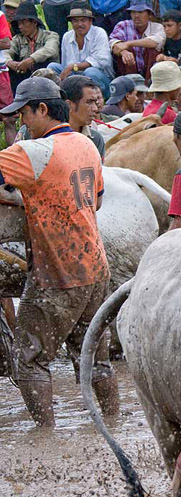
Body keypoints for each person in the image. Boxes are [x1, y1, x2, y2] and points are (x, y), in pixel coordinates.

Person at [0, 77, 118, 429]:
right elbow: (95, 200)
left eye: (24, 114)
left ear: (41, 109)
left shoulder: (33, 152)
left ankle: (45, 437)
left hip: (57, 272)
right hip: (96, 269)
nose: (21, 122)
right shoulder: (86, 144)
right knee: (95, 359)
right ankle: (112, 423)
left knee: (30, 358)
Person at [48, 2, 113, 98]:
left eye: (83, 20)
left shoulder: (99, 33)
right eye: (75, 21)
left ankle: (98, 99)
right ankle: (61, 98)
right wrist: (70, 69)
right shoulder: (67, 36)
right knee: (52, 67)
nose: (79, 24)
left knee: (90, 72)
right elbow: (65, 65)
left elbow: (102, 61)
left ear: (90, 21)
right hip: (75, 77)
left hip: (100, 78)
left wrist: (73, 67)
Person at [6, 3, 60, 91]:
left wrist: (31, 60)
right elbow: (6, 51)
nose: (20, 26)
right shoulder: (17, 39)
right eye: (19, 23)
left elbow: (50, 49)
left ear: (34, 22)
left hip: (47, 77)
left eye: (23, 23)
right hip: (25, 78)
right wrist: (10, 62)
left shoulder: (51, 35)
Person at [109, 0, 165, 79]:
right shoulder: (123, 25)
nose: (136, 16)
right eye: (133, 12)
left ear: (149, 15)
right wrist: (123, 52)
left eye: (141, 12)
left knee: (153, 51)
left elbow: (156, 42)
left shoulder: (157, 27)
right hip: (128, 70)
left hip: (149, 70)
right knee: (126, 51)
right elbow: (114, 44)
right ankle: (131, 85)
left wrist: (128, 44)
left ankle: (149, 86)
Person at [60, 74, 104, 157]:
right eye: (89, 102)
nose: (95, 108)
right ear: (69, 105)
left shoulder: (95, 139)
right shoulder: (48, 138)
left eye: (95, 102)